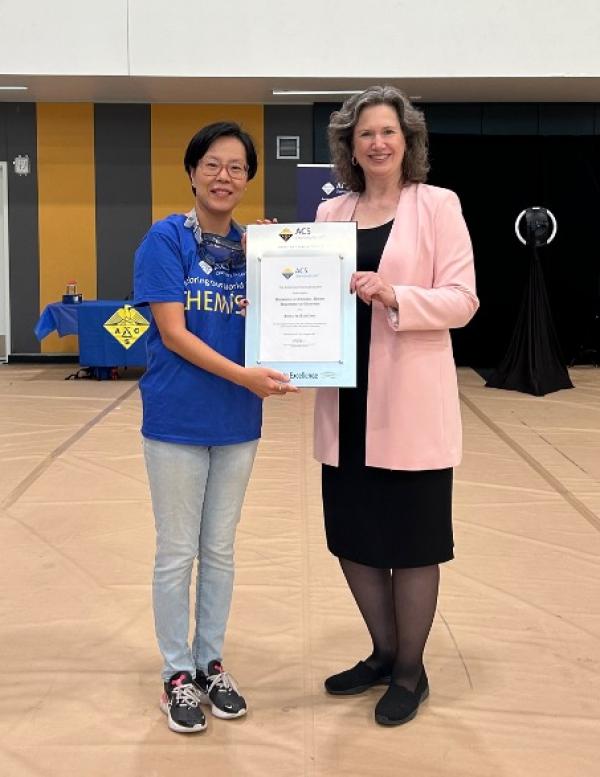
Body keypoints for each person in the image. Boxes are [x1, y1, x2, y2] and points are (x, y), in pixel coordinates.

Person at [313, 86, 479, 726]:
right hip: (344, 401)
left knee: (412, 543)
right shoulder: (331, 216)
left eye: (388, 132)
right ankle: (383, 653)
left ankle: (411, 671)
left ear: (407, 141)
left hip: (409, 404)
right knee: (353, 539)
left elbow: (463, 300)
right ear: (349, 148)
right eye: (365, 135)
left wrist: (393, 294)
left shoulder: (438, 206)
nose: (377, 143)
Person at [134, 122, 297, 734]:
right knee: (177, 552)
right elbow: (173, 333)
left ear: (249, 177)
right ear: (192, 170)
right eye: (212, 164)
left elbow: (280, 312)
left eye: (236, 167)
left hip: (237, 422)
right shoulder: (165, 239)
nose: (224, 176)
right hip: (177, 419)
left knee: (220, 551)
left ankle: (210, 662)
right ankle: (176, 672)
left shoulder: (259, 249)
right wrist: (246, 375)